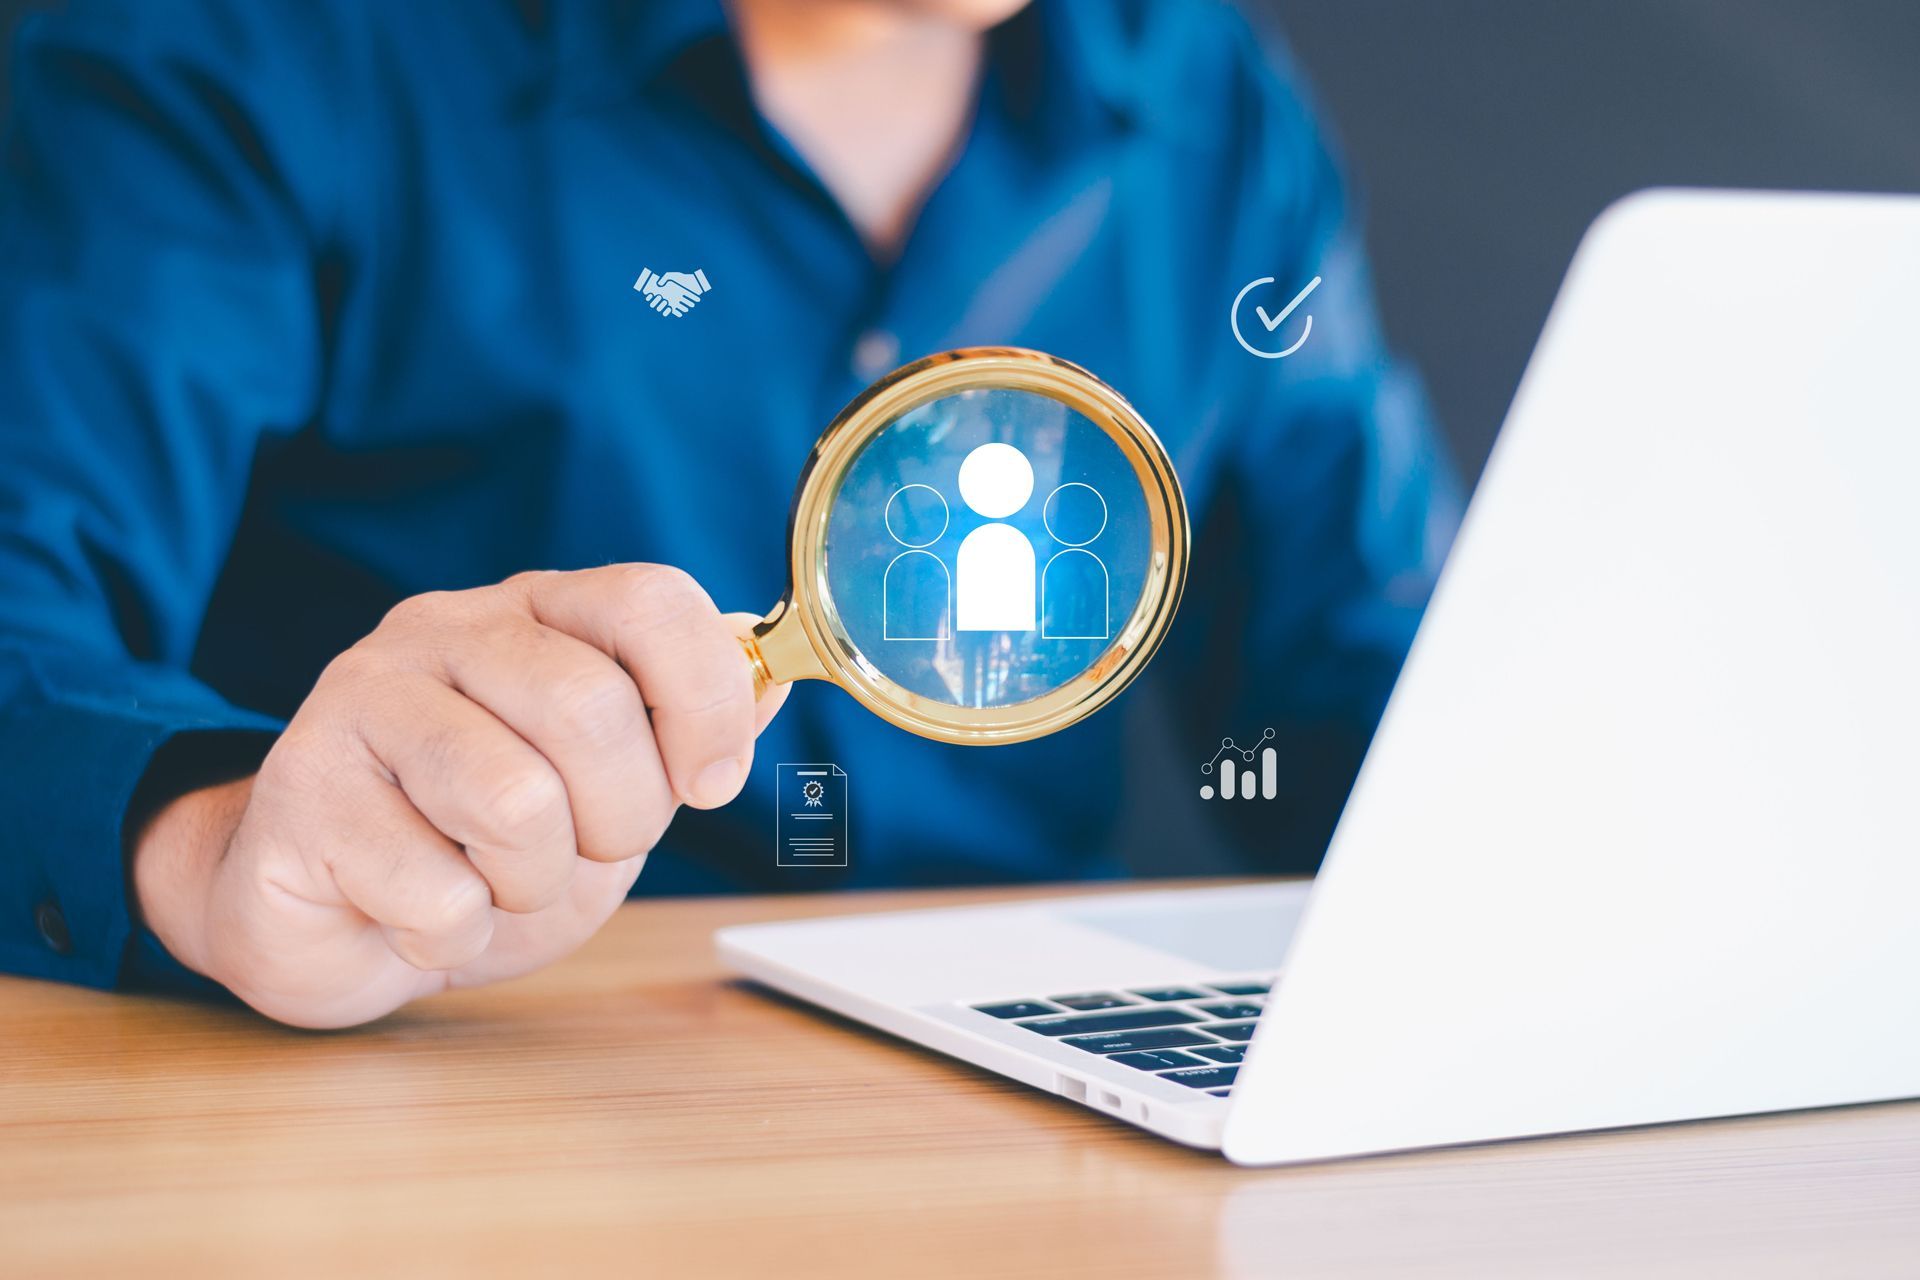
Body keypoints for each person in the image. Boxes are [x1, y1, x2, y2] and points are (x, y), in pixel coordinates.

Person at [0, 0, 1459, 1028]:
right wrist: (215, 849)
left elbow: (1363, 669)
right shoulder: (241, 46)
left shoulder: (1215, 102)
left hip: (1047, 1083)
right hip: (470, 1062)